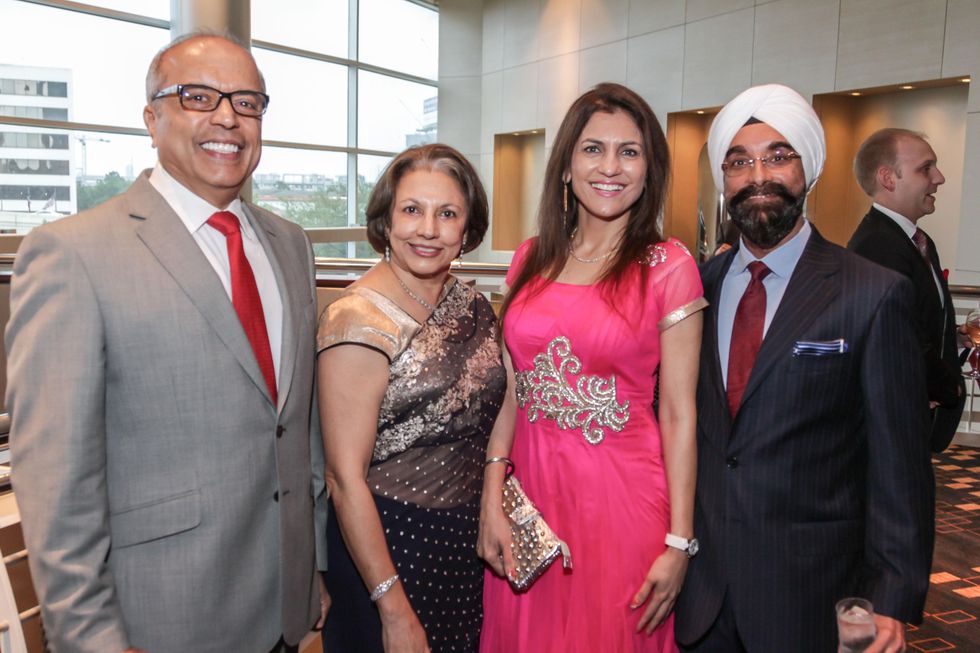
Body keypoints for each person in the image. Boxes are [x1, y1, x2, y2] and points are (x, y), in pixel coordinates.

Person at [5, 33, 326, 653]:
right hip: (160, 621)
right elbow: (55, 480)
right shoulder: (73, 253)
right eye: (198, 96)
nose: (227, 117)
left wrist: (310, 567)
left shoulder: (291, 244)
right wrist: (89, 637)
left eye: (248, 101)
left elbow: (297, 424)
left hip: (284, 608)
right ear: (152, 118)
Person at [673, 84, 934, 653]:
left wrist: (891, 595)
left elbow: (900, 465)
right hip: (701, 593)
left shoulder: (872, 293)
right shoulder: (694, 292)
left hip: (810, 596)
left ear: (808, 170)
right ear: (724, 179)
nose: (758, 174)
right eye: (739, 161)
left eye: (778, 155)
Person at [479, 83, 705, 653]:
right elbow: (511, 387)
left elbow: (679, 414)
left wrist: (680, 542)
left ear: (649, 170)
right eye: (593, 149)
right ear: (565, 166)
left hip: (621, 507)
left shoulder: (668, 267)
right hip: (527, 500)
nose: (611, 167)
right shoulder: (531, 257)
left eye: (629, 152)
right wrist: (491, 490)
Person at [317, 143, 505, 653]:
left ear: (467, 229)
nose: (428, 229)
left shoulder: (471, 304)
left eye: (447, 214)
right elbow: (343, 479)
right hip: (387, 544)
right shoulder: (357, 320)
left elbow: (506, 394)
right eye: (411, 210)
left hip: (462, 545)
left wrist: (492, 494)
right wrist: (392, 608)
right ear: (386, 219)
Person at [848, 128, 966, 452]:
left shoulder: (914, 240)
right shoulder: (878, 245)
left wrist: (951, 337)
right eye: (925, 168)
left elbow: (913, 314)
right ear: (888, 178)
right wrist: (949, 389)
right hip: (893, 423)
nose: (939, 178)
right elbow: (900, 336)